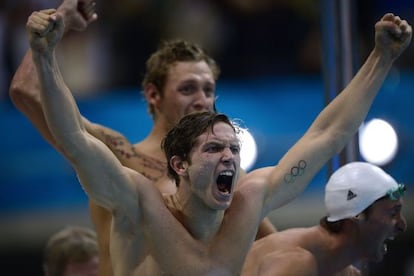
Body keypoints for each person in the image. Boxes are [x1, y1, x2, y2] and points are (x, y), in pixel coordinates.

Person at [26, 7, 411, 275]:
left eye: (233, 149)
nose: (229, 157)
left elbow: (328, 134)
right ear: (180, 165)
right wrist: (44, 55)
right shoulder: (139, 199)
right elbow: (74, 137)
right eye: (214, 148)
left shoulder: (245, 198)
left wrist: (381, 58)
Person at [8, 1, 276, 275]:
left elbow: (272, 247)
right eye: (188, 89)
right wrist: (58, 25)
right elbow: (25, 89)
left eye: (208, 90)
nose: (202, 101)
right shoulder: (116, 154)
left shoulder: (226, 173)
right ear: (153, 95)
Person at [241, 162, 407, 276]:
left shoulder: (323, 262)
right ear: (357, 216)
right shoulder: (296, 263)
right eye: (393, 213)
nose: (402, 225)